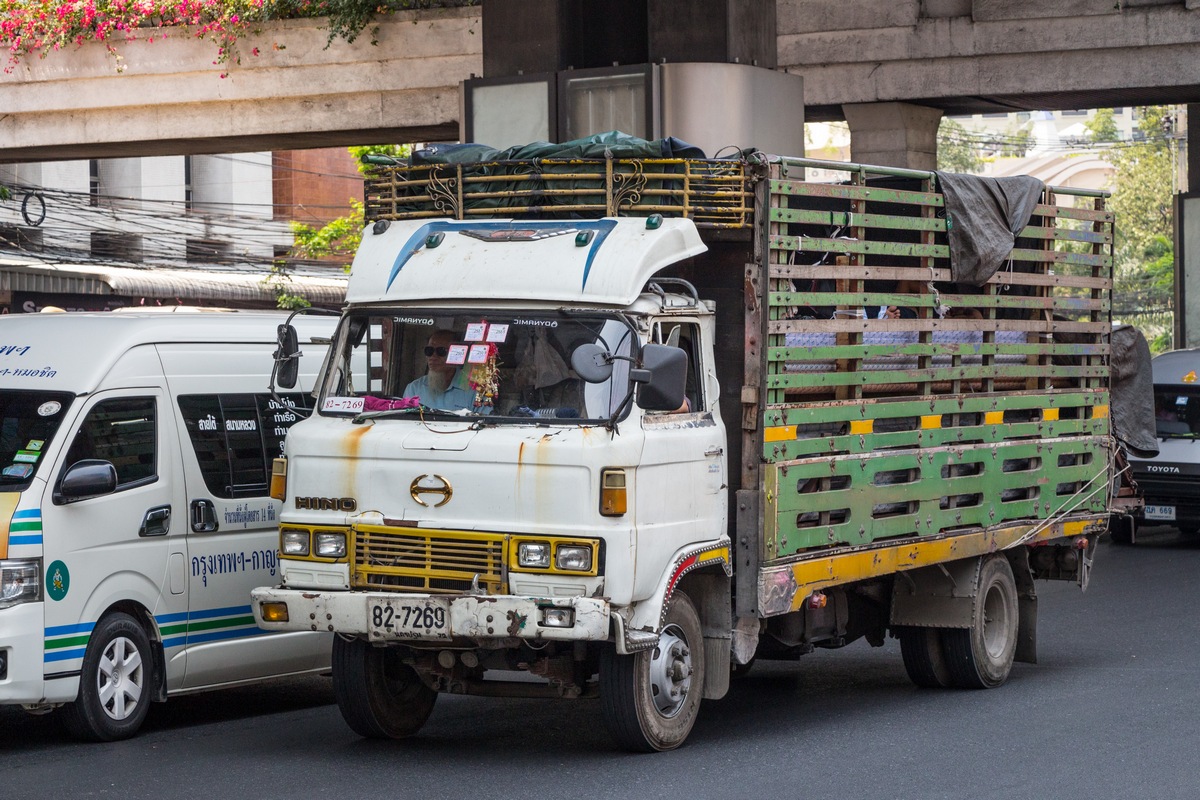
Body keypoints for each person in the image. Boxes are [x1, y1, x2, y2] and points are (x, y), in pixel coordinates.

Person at [403, 330, 476, 410]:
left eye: (441, 351)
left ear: (457, 354)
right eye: (429, 351)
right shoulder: (414, 389)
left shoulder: (473, 391)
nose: (433, 356)